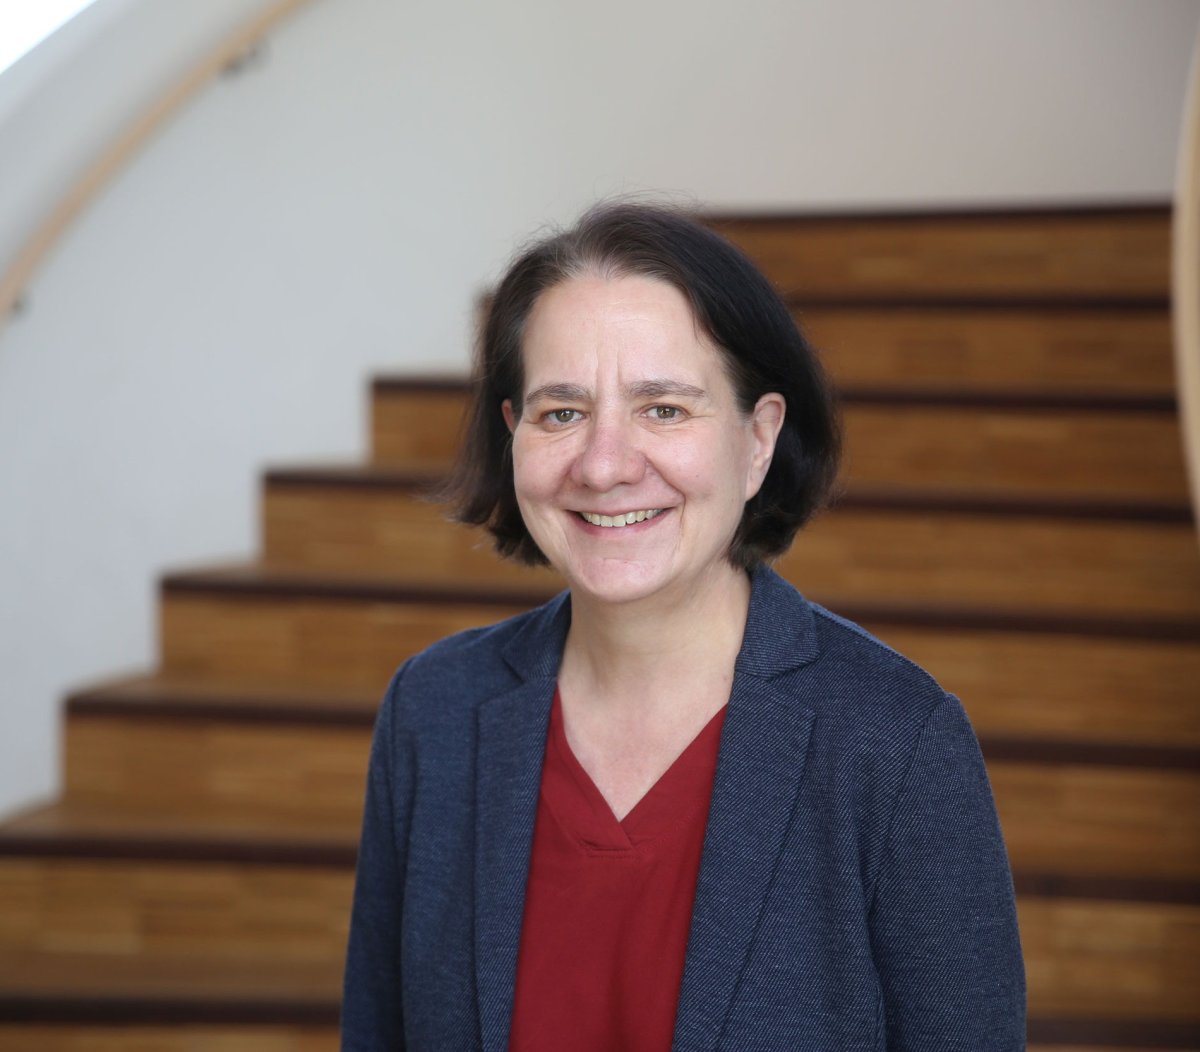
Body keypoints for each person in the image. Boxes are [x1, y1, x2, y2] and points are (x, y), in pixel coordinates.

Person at [341, 203, 1026, 1051]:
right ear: (514, 435)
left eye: (663, 408)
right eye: (562, 413)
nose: (605, 465)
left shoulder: (894, 743)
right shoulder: (432, 711)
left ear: (758, 439)